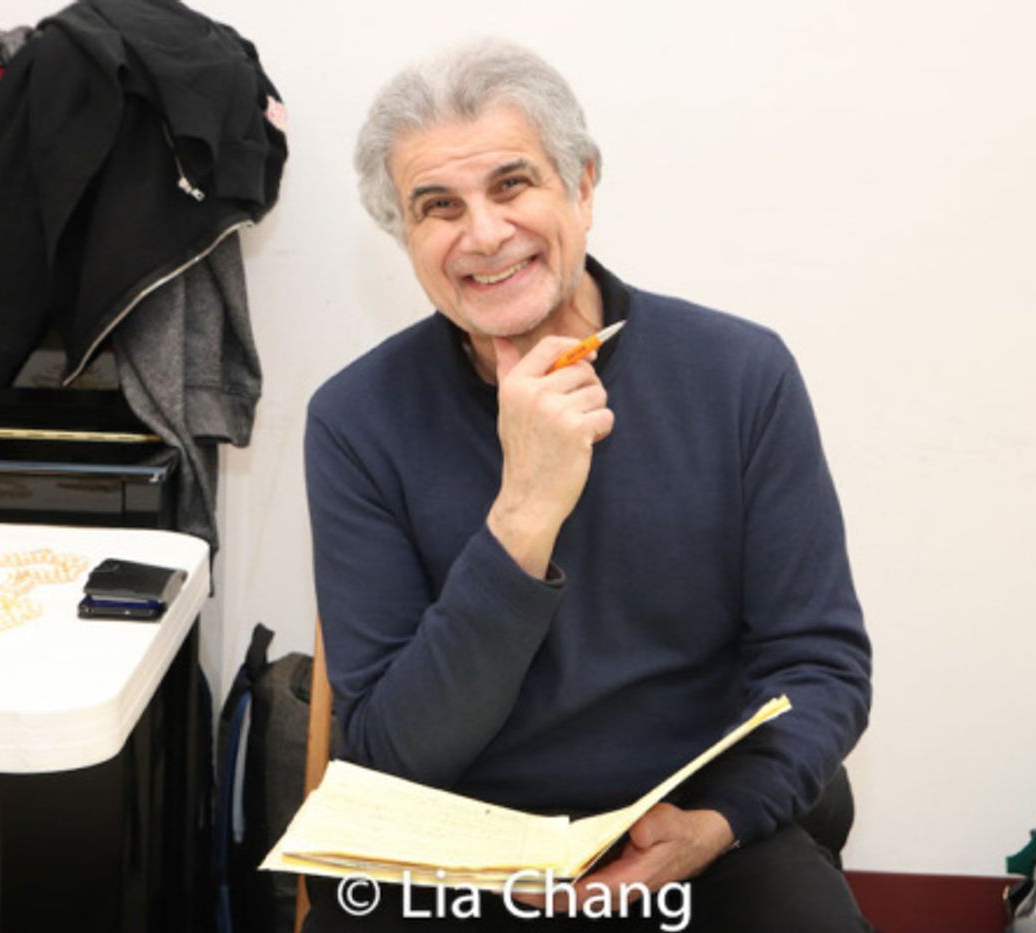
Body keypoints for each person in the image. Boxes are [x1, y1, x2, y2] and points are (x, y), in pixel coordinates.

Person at [302, 38, 872, 932]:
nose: (483, 234)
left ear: (583, 187)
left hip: (690, 833)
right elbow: (388, 757)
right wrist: (522, 517)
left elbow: (821, 664)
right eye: (438, 206)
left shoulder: (739, 375)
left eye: (513, 184)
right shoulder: (356, 420)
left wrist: (714, 825)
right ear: (405, 236)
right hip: (460, 854)